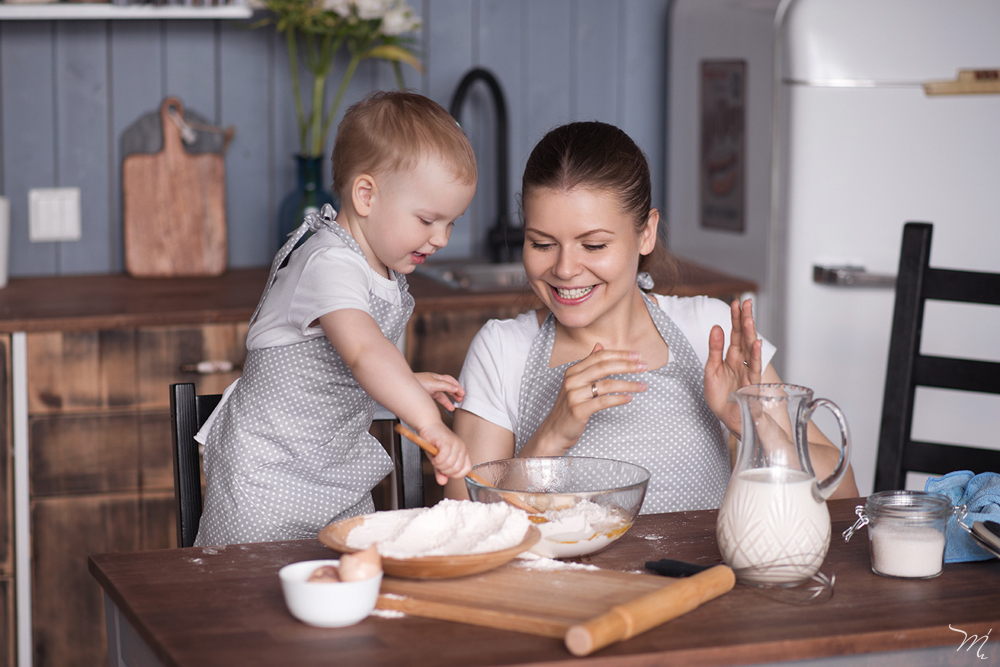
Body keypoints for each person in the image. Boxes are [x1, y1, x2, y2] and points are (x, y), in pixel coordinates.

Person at [445, 121, 857, 512]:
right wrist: (551, 438)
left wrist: (756, 428)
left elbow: (843, 496)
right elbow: (461, 530)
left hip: (700, 586)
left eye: (593, 245)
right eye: (542, 244)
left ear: (646, 233)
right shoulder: (502, 350)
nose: (565, 268)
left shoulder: (706, 332)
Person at [195, 91, 476, 546]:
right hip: (268, 477)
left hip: (333, 473)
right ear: (366, 195)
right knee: (248, 593)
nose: (441, 238)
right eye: (428, 219)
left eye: (452, 223)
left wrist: (405, 382)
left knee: (348, 582)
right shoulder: (328, 261)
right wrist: (427, 422)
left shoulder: (375, 265)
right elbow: (365, 350)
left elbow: (349, 362)